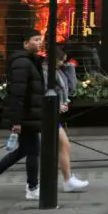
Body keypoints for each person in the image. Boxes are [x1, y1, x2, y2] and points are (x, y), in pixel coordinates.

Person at [0, 29, 45, 200]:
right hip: (26, 115)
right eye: (36, 39)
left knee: (24, 149)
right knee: (33, 151)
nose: (39, 43)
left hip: (29, 114)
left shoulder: (30, 61)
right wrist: (16, 120)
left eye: (40, 39)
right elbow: (17, 93)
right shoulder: (22, 62)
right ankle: (32, 187)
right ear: (26, 43)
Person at [44, 49, 89, 193]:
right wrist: (57, 105)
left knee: (62, 146)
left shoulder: (59, 71)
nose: (63, 63)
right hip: (48, 114)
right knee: (62, 145)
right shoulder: (46, 72)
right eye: (61, 60)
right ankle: (67, 180)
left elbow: (72, 89)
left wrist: (70, 68)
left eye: (64, 60)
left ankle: (67, 180)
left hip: (54, 114)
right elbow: (45, 92)